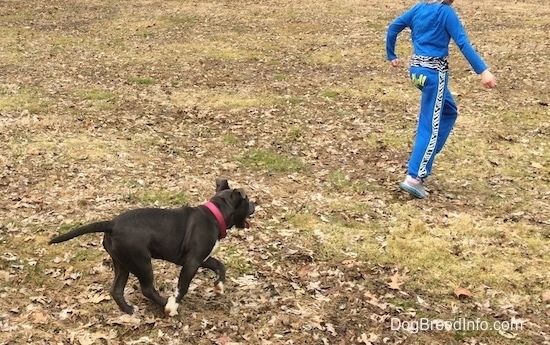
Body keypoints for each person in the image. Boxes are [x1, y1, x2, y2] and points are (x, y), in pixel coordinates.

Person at [386, 0, 497, 199]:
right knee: (429, 125)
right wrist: (483, 71)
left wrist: (391, 54)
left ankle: (422, 156)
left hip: (416, 72)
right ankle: (414, 177)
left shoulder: (419, 8)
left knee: (449, 112)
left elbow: (393, 27)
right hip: (433, 75)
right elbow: (462, 42)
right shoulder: (446, 13)